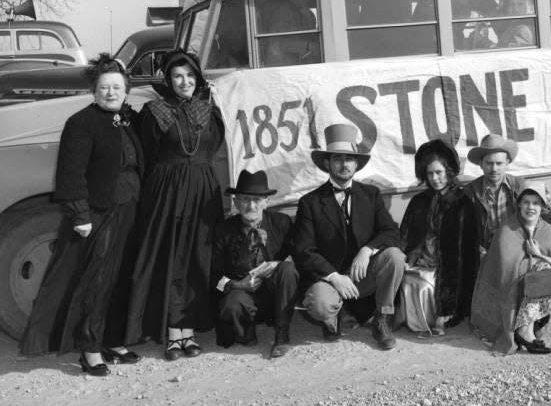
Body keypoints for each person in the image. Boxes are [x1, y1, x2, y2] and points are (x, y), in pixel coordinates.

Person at [20, 55, 144, 376]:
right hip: (99, 213)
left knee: (122, 275)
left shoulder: (125, 119)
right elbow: (70, 175)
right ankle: (89, 349)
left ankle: (113, 340)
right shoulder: (81, 123)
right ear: (94, 90)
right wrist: (80, 215)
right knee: (97, 281)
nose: (111, 92)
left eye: (117, 86)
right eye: (104, 87)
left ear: (126, 89)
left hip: (129, 208)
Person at [126, 49, 225, 360]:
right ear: (168, 80)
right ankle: (172, 333)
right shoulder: (154, 111)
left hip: (203, 192)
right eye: (178, 76)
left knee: (198, 258)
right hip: (167, 192)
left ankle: (190, 331)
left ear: (197, 79)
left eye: (190, 75)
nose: (184, 81)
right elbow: (146, 155)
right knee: (171, 258)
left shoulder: (210, 111)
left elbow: (215, 147)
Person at [291, 123, 406, 350]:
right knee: (320, 304)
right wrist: (334, 277)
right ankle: (332, 317)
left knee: (394, 256)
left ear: (356, 164)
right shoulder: (310, 203)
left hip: (363, 276)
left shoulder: (370, 195)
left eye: (349, 159)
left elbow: (391, 232)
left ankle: (381, 319)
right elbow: (303, 251)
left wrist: (367, 250)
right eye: (338, 159)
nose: (344, 164)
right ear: (327, 163)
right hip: (330, 280)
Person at [471, 182, 551, 355]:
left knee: (546, 268)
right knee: (540, 271)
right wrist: (534, 265)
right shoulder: (507, 230)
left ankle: (541, 326)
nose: (530, 207)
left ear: (543, 206)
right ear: (519, 205)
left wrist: (538, 254)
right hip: (513, 289)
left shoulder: (548, 230)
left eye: (536, 203)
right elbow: (505, 269)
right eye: (526, 202)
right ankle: (525, 330)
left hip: (540, 291)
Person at [211, 170, 299, 358]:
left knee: (288, 269)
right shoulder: (223, 230)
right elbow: (214, 275)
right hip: (244, 297)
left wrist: (278, 264)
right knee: (232, 304)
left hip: (276, 296)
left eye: (257, 200)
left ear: (267, 202)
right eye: (244, 199)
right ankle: (245, 331)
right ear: (235, 202)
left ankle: (282, 333)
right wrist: (238, 284)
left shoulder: (282, 222)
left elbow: (298, 254)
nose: (251, 205)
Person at [397, 139, 479, 336]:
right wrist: (410, 255)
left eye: (439, 172)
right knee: (407, 279)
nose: (435, 178)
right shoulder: (418, 201)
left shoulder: (463, 202)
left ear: (448, 171)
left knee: (427, 285)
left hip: (449, 268)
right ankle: (406, 317)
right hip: (421, 260)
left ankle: (442, 317)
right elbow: (406, 236)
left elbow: (469, 247)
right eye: (430, 173)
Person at [466, 134, 526, 259]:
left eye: (499, 163)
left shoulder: (520, 187)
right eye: (489, 163)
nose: (494, 168)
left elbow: (536, 221)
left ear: (507, 163)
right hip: (485, 256)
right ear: (481, 164)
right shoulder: (469, 192)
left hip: (518, 251)